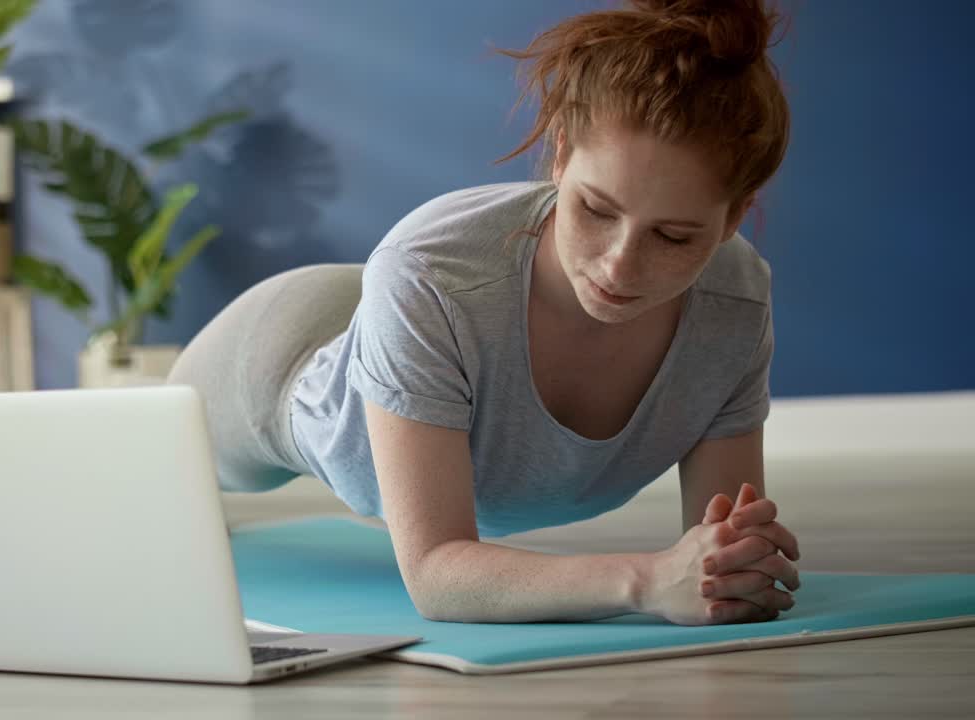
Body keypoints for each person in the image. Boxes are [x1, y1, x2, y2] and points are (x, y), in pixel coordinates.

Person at [167, 0, 801, 627]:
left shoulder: (734, 303)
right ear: (560, 155)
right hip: (279, 357)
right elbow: (436, 576)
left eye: (673, 237)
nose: (619, 266)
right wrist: (646, 581)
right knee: (151, 481)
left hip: (429, 304)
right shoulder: (428, 274)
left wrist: (735, 566)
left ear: (734, 218)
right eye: (596, 210)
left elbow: (720, 551)